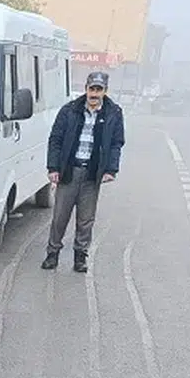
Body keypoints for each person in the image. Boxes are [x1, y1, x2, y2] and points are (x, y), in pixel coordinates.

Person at [42, 70, 125, 273]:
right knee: (60, 217)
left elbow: (116, 143)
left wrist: (111, 169)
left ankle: (80, 257)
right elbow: (55, 139)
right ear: (86, 88)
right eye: (91, 89)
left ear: (105, 91)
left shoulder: (113, 113)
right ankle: (52, 254)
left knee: (86, 220)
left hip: (92, 174)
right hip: (69, 171)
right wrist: (53, 168)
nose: (94, 93)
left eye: (99, 89)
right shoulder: (69, 110)